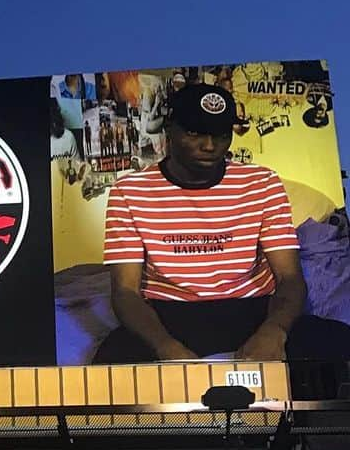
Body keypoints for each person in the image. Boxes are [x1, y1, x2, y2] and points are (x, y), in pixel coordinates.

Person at [93, 83, 350, 364]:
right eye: (194, 133)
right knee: (112, 360)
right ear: (170, 129)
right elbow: (125, 290)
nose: (209, 145)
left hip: (252, 309)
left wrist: (274, 331)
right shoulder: (129, 191)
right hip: (170, 313)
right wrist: (164, 346)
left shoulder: (262, 183)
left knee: (335, 344)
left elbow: (289, 277)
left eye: (220, 134)